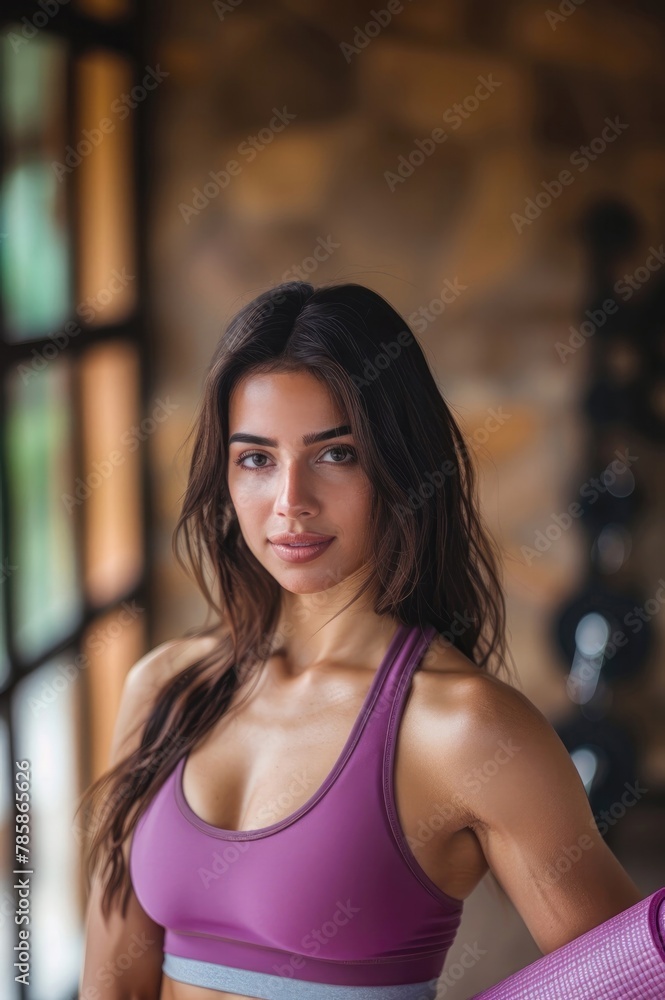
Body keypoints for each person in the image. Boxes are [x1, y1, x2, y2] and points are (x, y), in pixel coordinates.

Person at [77, 280, 642, 1000]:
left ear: (399, 465)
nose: (290, 503)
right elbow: (111, 990)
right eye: (256, 458)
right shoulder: (164, 688)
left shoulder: (464, 729)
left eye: (335, 454)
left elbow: (631, 979)